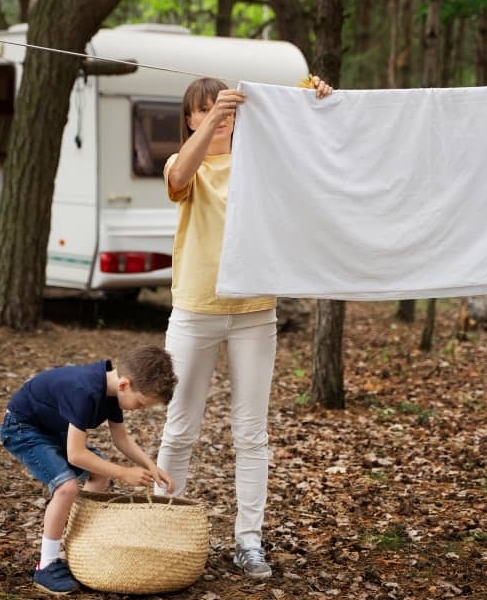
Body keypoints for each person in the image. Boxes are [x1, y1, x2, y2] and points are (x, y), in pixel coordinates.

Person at [154, 74, 333, 579]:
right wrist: (214, 118)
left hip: (255, 312)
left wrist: (313, 97)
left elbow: (308, 146)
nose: (217, 115)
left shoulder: (259, 164)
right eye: (204, 109)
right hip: (194, 312)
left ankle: (248, 540)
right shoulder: (183, 164)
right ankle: (162, 523)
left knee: (251, 433)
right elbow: (178, 177)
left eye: (224, 108)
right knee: (180, 427)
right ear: (189, 118)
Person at [0, 345, 178, 595]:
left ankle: (78, 549)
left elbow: (122, 440)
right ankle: (46, 565)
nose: (139, 409)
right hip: (22, 428)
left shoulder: (112, 390)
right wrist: (123, 473)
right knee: (66, 487)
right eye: (140, 404)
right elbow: (76, 454)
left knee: (99, 473)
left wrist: (151, 467)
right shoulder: (84, 390)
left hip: (50, 430)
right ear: (125, 385)